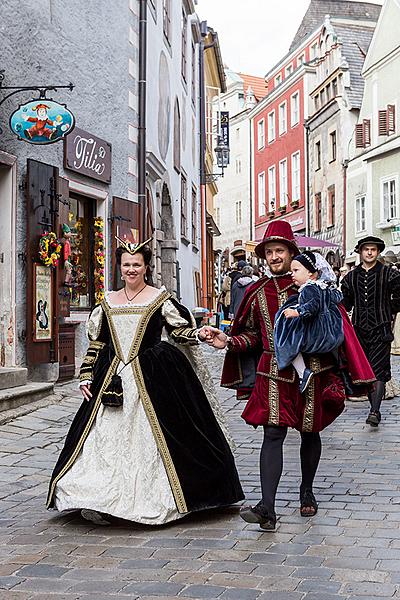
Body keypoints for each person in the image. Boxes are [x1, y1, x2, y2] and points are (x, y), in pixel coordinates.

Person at [47, 238, 244, 525]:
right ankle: (99, 497)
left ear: (146, 267)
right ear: (120, 267)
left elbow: (178, 334)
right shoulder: (108, 301)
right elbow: (98, 344)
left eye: (136, 265)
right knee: (102, 440)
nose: (131, 270)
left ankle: (163, 497)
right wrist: (87, 375)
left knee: (170, 435)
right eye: (126, 265)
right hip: (112, 378)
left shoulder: (159, 298)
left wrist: (199, 335)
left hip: (154, 374)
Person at [200, 221, 374, 531]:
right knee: (273, 434)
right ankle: (267, 507)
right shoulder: (256, 292)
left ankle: (306, 489)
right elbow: (252, 335)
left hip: (314, 371)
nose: (274, 256)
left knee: (310, 431)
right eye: (269, 252)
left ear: (291, 252)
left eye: (280, 251)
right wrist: (226, 341)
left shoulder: (312, 287)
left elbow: (336, 328)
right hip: (273, 373)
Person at [341, 236, 400, 427]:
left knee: (380, 370)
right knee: (366, 370)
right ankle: (373, 406)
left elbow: (399, 295)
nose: (369, 253)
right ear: (360, 251)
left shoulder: (388, 273)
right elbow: (346, 302)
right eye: (366, 249)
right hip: (359, 329)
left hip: (381, 328)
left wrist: (389, 309)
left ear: (378, 252)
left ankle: (375, 411)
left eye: (373, 250)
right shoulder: (351, 277)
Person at [274, 251, 344, 394]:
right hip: (332, 332)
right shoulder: (324, 286)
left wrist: (297, 312)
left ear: (311, 274)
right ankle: (340, 365)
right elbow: (338, 296)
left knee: (287, 340)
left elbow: (312, 305)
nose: (292, 274)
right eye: (291, 271)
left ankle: (302, 373)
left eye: (296, 270)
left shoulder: (309, 288)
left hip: (316, 334)